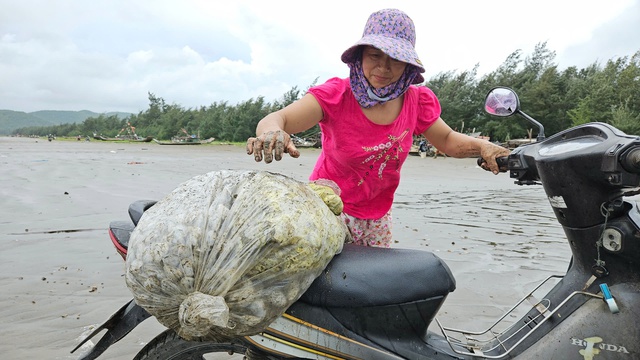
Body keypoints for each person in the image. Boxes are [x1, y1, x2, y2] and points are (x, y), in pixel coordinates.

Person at [246, 8, 510, 248]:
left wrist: (483, 147)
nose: (383, 67)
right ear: (360, 56)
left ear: (407, 65)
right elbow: (278, 119)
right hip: (327, 210)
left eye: (395, 59)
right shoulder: (335, 96)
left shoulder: (417, 101)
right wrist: (272, 132)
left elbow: (449, 141)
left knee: (371, 290)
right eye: (375, 56)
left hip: (379, 217)